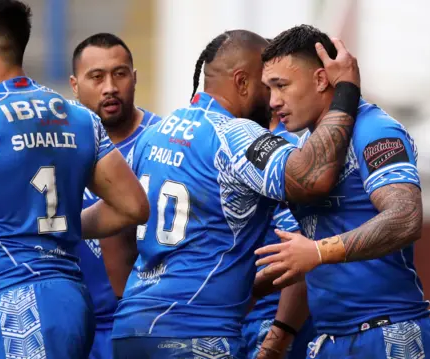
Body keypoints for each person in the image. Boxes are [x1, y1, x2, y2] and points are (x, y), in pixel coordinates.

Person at [85, 28, 361, 358]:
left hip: (131, 329)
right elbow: (312, 176)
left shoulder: (154, 134)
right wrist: (346, 89)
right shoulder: (234, 135)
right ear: (242, 82)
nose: (274, 101)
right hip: (196, 334)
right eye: (267, 85)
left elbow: (117, 224)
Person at [0, 1, 149, 358]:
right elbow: (134, 206)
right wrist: (62, 227)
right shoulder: (78, 117)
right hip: (73, 298)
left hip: (20, 298)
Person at [255, 25, 430, 358]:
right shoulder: (299, 150)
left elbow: (405, 218)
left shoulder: (375, 129)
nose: (273, 101)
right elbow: (301, 258)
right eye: (268, 89)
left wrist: (318, 252)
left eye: (282, 86)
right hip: (329, 340)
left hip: (389, 334)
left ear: (320, 79)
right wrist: (277, 341)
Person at [69, 32, 162, 359]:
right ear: (74, 84)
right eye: (96, 77)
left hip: (143, 321)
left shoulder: (162, 143)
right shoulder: (61, 146)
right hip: (75, 323)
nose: (110, 87)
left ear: (134, 78)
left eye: (119, 74)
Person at [243, 98, 316, 359]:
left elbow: (298, 251)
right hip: (237, 320)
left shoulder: (282, 150)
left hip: (270, 320)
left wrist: (276, 339)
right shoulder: (233, 140)